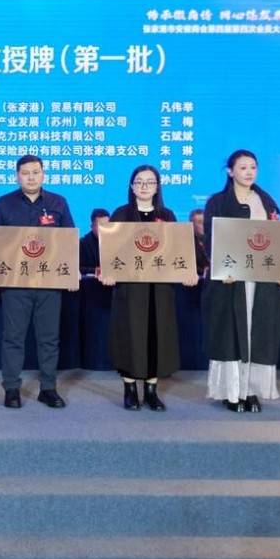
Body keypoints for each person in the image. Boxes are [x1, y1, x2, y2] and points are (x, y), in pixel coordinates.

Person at [98, 166, 197, 411]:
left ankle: (151, 390)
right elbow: (111, 251)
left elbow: (177, 250)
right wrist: (108, 272)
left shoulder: (167, 214)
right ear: (132, 187)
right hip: (130, 288)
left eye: (150, 182)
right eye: (139, 182)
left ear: (157, 187)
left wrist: (188, 271)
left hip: (159, 288)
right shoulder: (121, 214)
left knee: (156, 334)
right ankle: (130, 388)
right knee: (130, 335)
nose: (144, 186)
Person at [202, 150, 280, 413]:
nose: (249, 172)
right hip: (231, 280)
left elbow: (278, 240)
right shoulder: (218, 202)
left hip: (262, 280)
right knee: (231, 334)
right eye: (243, 167)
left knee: (258, 332)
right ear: (230, 172)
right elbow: (212, 240)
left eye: (253, 167)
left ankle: (251, 391)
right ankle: (231, 392)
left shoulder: (267, 202)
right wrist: (222, 268)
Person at [0, 154, 77, 409]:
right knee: (13, 338)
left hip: (49, 283)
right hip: (15, 283)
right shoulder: (3, 203)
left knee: (49, 339)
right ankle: (11, 388)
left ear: (43, 174)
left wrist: (71, 272)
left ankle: (48, 388)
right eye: (25, 173)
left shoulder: (58, 203)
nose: (31, 177)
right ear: (17, 176)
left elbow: (69, 240)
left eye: (36, 172)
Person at [79, 208, 110, 275]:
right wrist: (94, 270)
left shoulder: (116, 241)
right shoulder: (82, 244)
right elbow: (77, 268)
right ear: (92, 226)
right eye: (100, 226)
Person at [189, 208, 209, 275]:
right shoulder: (187, 244)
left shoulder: (213, 241)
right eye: (200, 222)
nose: (204, 225)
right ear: (192, 225)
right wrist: (203, 271)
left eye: (205, 222)